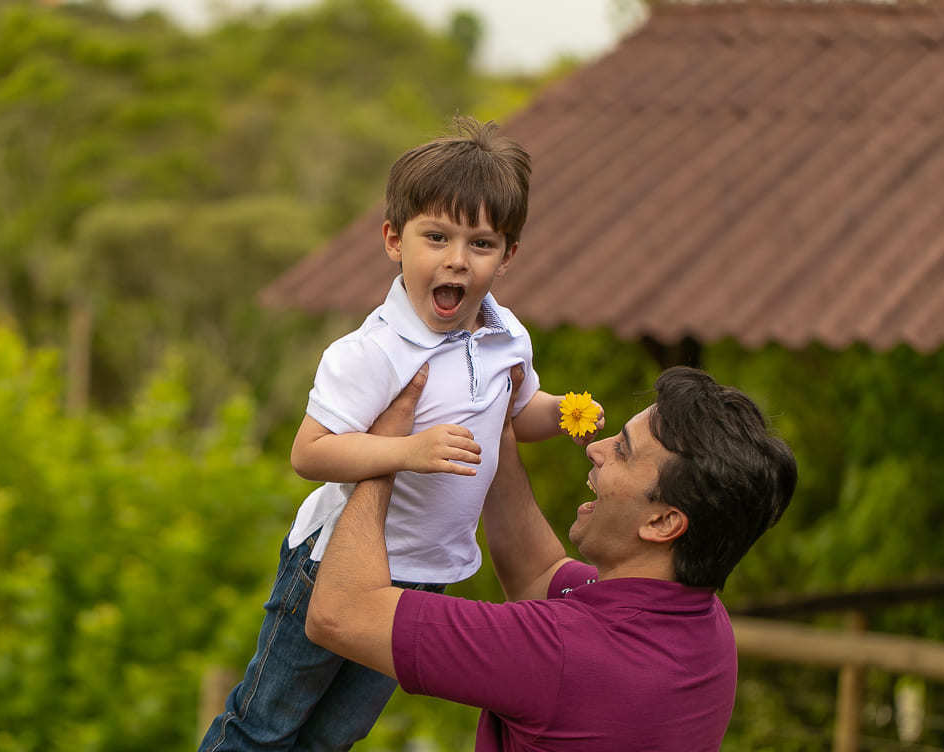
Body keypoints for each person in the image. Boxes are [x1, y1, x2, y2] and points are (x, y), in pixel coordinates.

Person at [199, 118, 600, 751]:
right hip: (331, 565)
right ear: (394, 239)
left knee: (335, 736)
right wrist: (408, 450)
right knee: (265, 726)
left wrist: (565, 412)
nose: (456, 260)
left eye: (481, 244)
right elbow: (311, 452)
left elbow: (516, 417)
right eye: (436, 237)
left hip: (422, 579)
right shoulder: (374, 352)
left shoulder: (507, 338)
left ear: (508, 255)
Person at [305, 364, 797, 751]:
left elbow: (339, 613)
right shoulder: (704, 626)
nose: (596, 449)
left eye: (622, 451)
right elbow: (535, 571)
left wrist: (384, 451)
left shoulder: (560, 651)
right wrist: (495, 427)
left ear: (663, 523)